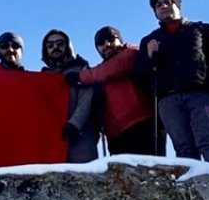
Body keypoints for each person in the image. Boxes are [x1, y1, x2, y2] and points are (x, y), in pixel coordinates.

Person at [135, 0, 209, 163]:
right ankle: (192, 187)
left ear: (178, 6)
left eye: (168, 2)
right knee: (184, 148)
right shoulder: (150, 40)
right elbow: (141, 75)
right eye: (159, 5)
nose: (164, 6)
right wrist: (150, 57)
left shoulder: (201, 29)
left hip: (200, 93)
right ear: (155, 12)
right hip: (168, 100)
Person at [66, 26, 163, 156]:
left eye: (111, 39)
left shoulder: (131, 53)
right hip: (115, 134)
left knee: (150, 168)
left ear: (120, 40)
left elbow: (111, 69)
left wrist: (79, 76)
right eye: (101, 43)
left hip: (143, 124)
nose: (107, 45)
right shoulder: (98, 73)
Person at [41, 29, 101, 163]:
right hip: (53, 138)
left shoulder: (82, 70)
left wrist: (74, 124)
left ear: (67, 46)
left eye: (59, 43)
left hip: (81, 137)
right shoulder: (42, 78)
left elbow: (86, 100)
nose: (55, 47)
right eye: (50, 45)